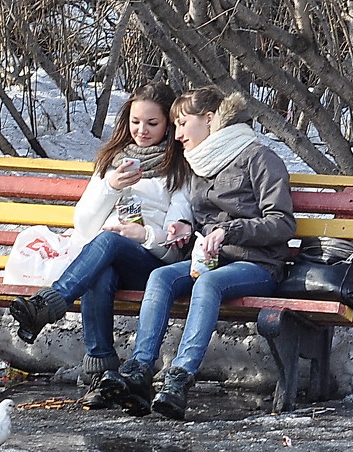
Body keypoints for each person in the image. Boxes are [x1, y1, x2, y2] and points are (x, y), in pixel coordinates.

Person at [97, 86, 296, 421]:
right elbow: (202, 220)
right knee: (160, 277)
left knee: (208, 284)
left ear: (208, 120)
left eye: (181, 124)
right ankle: (140, 370)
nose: (176, 136)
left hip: (257, 265)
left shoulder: (258, 158)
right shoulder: (200, 165)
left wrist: (229, 231)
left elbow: (281, 223)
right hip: (212, 260)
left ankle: (179, 378)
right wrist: (187, 231)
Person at [9, 82, 194, 409]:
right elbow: (83, 224)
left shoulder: (179, 167)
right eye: (136, 122)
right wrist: (109, 187)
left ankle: (50, 303)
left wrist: (145, 236)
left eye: (153, 123)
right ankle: (104, 375)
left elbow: (175, 249)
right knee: (101, 272)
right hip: (110, 259)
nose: (142, 130)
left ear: (168, 123)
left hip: (154, 268)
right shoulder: (113, 161)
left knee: (108, 241)